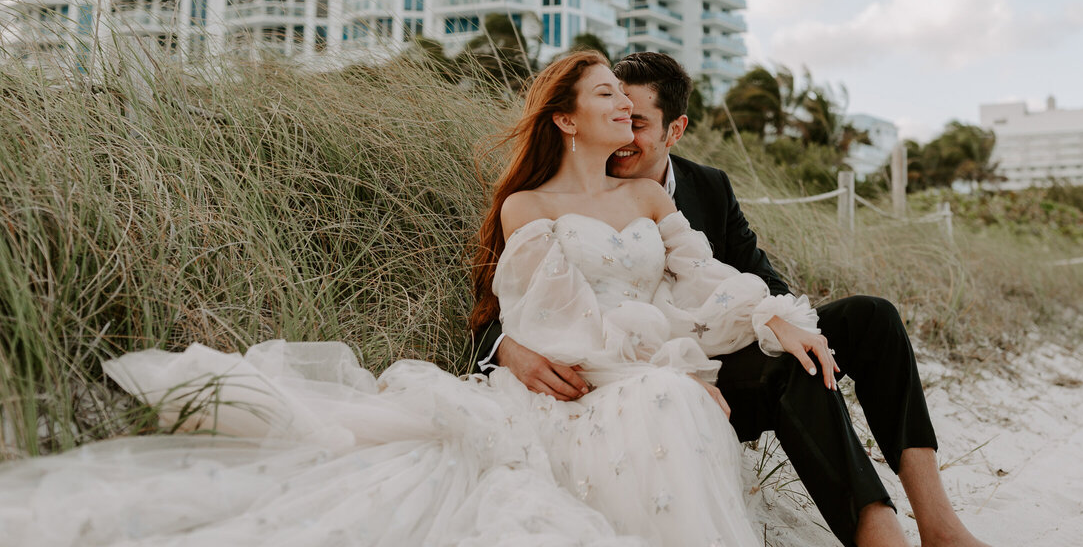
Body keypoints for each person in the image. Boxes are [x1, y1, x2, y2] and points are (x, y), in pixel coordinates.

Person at [0, 50, 818, 546]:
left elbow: (708, 276)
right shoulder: (527, 210)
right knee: (668, 400)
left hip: (634, 376)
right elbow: (554, 329)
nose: (625, 112)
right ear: (567, 121)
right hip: (573, 386)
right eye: (606, 95)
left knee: (674, 401)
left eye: (629, 102)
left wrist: (769, 313)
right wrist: (663, 359)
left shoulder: (651, 202)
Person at [472, 51, 991, 547]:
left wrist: (779, 320)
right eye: (614, 105)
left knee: (870, 318)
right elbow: (516, 305)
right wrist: (508, 350)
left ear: (675, 130)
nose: (625, 127)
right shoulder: (539, 203)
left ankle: (939, 524)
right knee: (792, 368)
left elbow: (740, 275)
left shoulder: (704, 188)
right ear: (570, 120)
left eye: (638, 121)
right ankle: (877, 535)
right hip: (646, 373)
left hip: (723, 337)